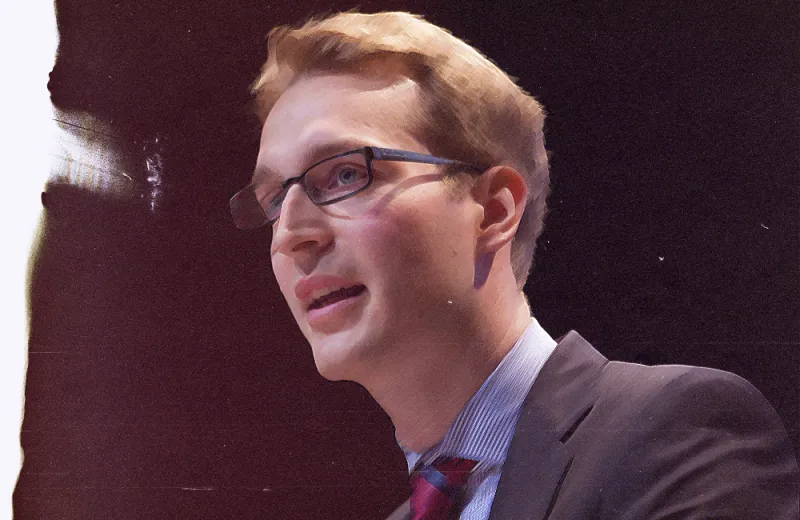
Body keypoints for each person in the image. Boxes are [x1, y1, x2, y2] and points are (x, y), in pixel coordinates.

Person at [229, 11, 799, 520]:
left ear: (494, 210)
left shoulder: (671, 434)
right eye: (275, 199)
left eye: (346, 173)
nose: (291, 235)